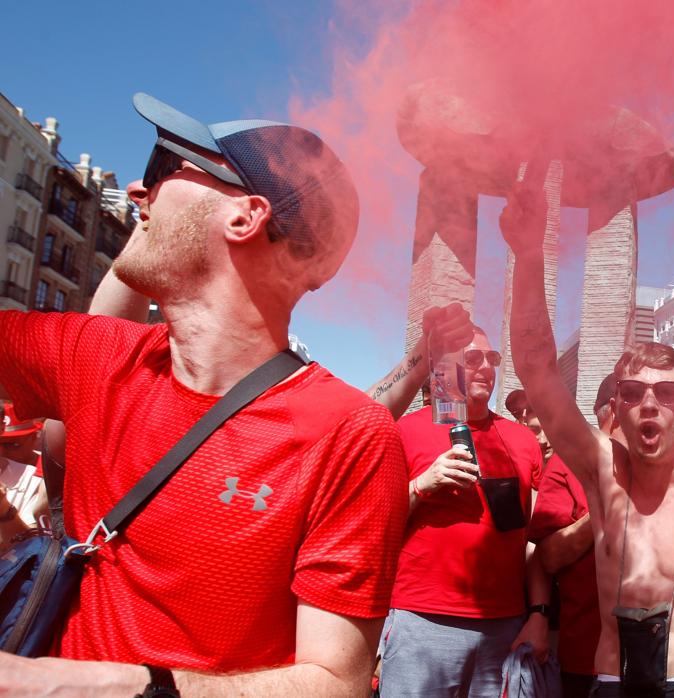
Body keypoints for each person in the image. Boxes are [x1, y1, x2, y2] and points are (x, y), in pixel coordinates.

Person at [0, 93, 408, 694]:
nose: (139, 193)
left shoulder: (351, 436)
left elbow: (335, 681)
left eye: (164, 169)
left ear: (245, 217)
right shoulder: (93, 355)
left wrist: (80, 685)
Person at [500, 164, 674, 696]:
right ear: (618, 409)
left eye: (666, 393)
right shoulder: (605, 480)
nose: (649, 404)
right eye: (632, 394)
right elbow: (536, 370)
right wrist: (531, 255)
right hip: (611, 681)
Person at [382, 327, 549, 697]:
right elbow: (375, 526)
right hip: (422, 621)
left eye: (493, 359)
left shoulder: (522, 440)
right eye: (473, 359)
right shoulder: (404, 431)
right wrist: (422, 485)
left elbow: (533, 541)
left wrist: (538, 612)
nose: (486, 368)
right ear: (442, 367)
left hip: (503, 626)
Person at [528, 377, 617, 698]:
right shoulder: (568, 464)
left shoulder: (667, 467)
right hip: (587, 658)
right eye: (630, 397)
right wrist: (603, 512)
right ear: (608, 410)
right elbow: (547, 557)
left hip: (664, 658)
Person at [0, 403, 49, 543]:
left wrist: (4, 511)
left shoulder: (35, 481)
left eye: (13, 445)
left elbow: (31, 550)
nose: (3, 451)